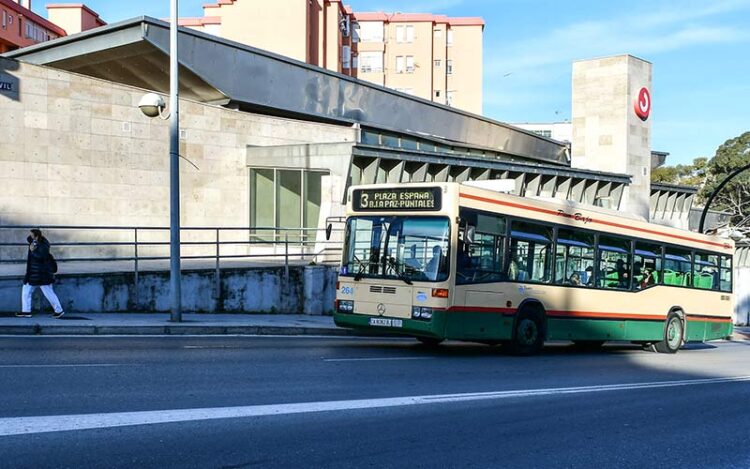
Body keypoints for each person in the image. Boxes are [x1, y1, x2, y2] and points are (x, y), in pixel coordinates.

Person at [17, 229, 65, 319]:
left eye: (32, 235)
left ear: (37, 236)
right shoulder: (34, 243)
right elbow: (29, 240)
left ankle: (59, 310)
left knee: (48, 293)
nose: (30, 236)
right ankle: (26, 311)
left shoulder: (43, 246)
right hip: (34, 274)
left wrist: (33, 251)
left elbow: (40, 257)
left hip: (42, 275)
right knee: (26, 290)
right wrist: (33, 241)